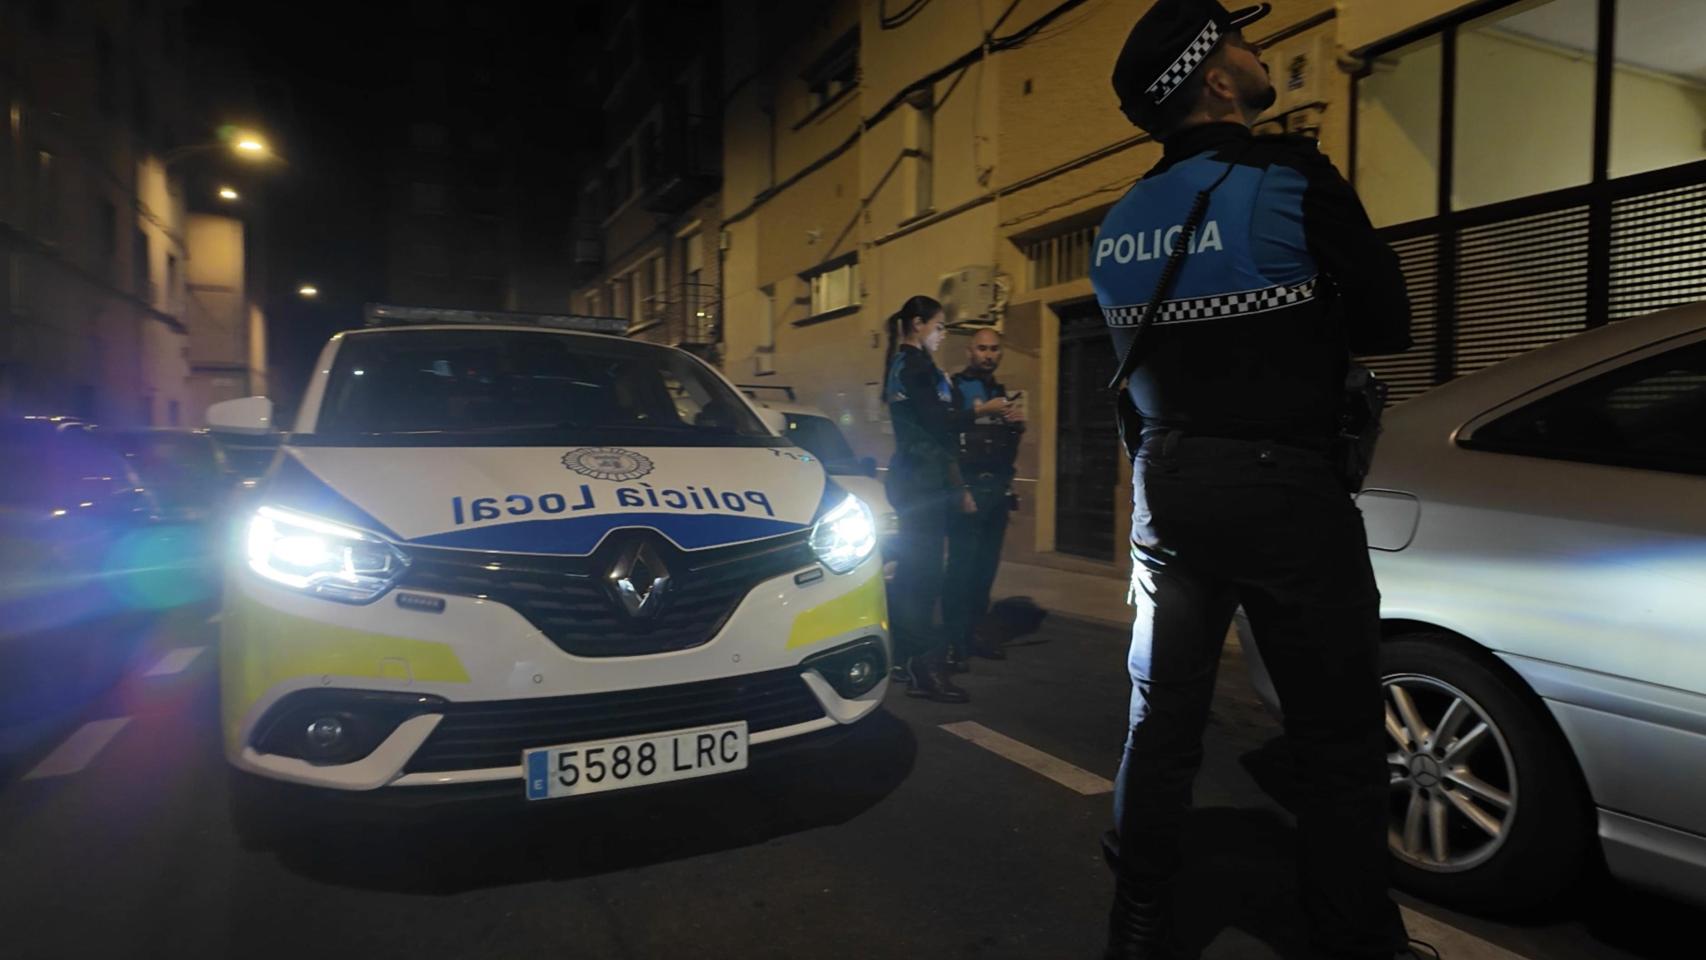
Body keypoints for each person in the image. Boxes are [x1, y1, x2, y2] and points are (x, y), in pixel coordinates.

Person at [1093, 2, 1419, 959]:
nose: (1258, 48)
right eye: (1242, 39)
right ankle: (1355, 939)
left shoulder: (1117, 223)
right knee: (1336, 736)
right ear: (1216, 78)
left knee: (1161, 723)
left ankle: (1138, 925)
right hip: (1285, 491)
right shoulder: (1288, 176)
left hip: (1167, 484)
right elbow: (1390, 322)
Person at [882, 296, 1009, 703]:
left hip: (920, 479)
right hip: (921, 482)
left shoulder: (909, 364)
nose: (942, 335)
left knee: (915, 575)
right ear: (918, 324)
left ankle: (905, 657)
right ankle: (922, 666)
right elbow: (938, 426)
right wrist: (979, 412)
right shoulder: (914, 366)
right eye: (939, 327)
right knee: (924, 576)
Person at [943, 328, 1026, 669]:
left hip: (997, 490)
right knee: (961, 569)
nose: (988, 355)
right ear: (969, 351)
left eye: (994, 349)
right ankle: (952, 642)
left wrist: (1016, 426)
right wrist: (959, 489)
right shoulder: (954, 387)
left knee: (985, 569)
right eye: (982, 348)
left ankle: (974, 634)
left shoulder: (999, 391)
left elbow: (1003, 446)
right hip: (968, 487)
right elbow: (944, 433)